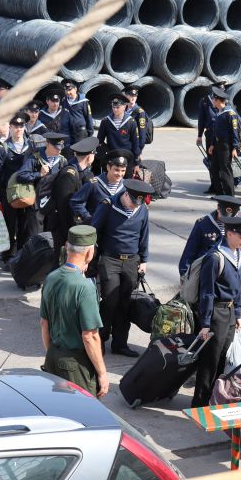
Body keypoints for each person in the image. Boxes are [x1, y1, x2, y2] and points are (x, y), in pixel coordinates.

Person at [192, 216, 241, 408]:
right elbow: (206, 292)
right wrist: (205, 323)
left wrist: (237, 314)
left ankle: (214, 399)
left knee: (222, 359)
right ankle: (200, 405)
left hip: (229, 315)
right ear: (229, 234)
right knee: (209, 362)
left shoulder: (239, 254)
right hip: (216, 314)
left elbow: (237, 287)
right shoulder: (215, 257)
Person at [40, 225, 108, 398]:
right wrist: (102, 373)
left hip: (52, 356)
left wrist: (53, 354)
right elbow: (90, 336)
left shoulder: (51, 278)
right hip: (76, 366)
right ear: (89, 253)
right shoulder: (85, 287)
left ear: (66, 246)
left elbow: (44, 323)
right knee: (84, 411)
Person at [91, 179, 154, 357]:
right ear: (126, 194)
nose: (134, 206)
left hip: (131, 262)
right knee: (110, 301)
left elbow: (144, 235)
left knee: (125, 303)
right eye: (133, 202)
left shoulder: (141, 209)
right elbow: (94, 230)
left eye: (138, 203)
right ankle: (100, 339)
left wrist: (144, 260)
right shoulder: (108, 205)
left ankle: (120, 343)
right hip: (110, 260)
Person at [178, 195, 241, 293]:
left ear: (237, 213)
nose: (226, 221)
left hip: (230, 277)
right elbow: (190, 252)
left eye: (230, 218)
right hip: (206, 275)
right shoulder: (203, 223)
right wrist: (185, 276)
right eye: (223, 216)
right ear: (218, 208)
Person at [0, 113, 33, 262]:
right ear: (10, 127)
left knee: (25, 223)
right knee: (9, 223)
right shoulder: (3, 149)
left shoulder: (31, 146)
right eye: (15, 126)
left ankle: (21, 252)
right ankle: (8, 253)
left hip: (26, 191)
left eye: (21, 126)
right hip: (8, 193)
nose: (18, 129)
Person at [50, 137, 98, 253]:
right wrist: (69, 236)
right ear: (89, 156)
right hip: (63, 229)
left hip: (77, 226)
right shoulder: (69, 174)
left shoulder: (87, 173)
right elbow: (64, 209)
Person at [15, 132, 67, 234]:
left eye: (61, 147)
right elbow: (21, 176)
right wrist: (39, 174)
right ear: (47, 143)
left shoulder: (62, 161)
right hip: (36, 203)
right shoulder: (35, 158)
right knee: (35, 234)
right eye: (56, 147)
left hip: (53, 204)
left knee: (50, 234)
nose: (59, 150)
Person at [70, 150, 127, 226]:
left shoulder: (126, 186)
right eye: (116, 170)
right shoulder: (94, 184)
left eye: (123, 171)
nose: (120, 174)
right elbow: (75, 201)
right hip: (96, 227)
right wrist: (87, 217)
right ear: (108, 167)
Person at [209, 87, 241, 196]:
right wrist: (212, 144)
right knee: (214, 169)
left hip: (226, 146)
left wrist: (235, 148)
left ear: (217, 100)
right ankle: (219, 194)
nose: (212, 101)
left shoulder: (230, 114)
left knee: (225, 170)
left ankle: (230, 195)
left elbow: (235, 132)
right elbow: (215, 131)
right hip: (217, 145)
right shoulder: (219, 113)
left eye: (213, 99)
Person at [97, 93, 141, 172]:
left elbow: (135, 143)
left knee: (126, 179)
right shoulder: (106, 121)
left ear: (124, 107)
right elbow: (99, 141)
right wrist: (106, 153)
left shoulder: (131, 122)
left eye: (117, 107)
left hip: (127, 157)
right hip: (112, 157)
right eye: (113, 107)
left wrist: (136, 163)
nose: (115, 110)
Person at [197, 83, 224, 194]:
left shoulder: (224, 100)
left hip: (222, 134)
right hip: (210, 134)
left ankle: (223, 185)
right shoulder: (204, 101)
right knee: (212, 161)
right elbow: (201, 119)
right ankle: (214, 185)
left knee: (223, 161)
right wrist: (199, 135)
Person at [39, 86, 77, 153]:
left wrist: (74, 145)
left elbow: (73, 130)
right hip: (49, 147)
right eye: (53, 101)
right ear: (47, 101)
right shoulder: (41, 115)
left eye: (57, 101)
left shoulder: (66, 113)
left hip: (66, 147)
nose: (55, 104)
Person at [123, 85, 152, 155]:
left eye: (135, 96)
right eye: (130, 95)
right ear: (126, 96)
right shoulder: (124, 109)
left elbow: (142, 133)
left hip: (134, 147)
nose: (133, 97)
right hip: (125, 144)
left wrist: (139, 150)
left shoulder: (140, 112)